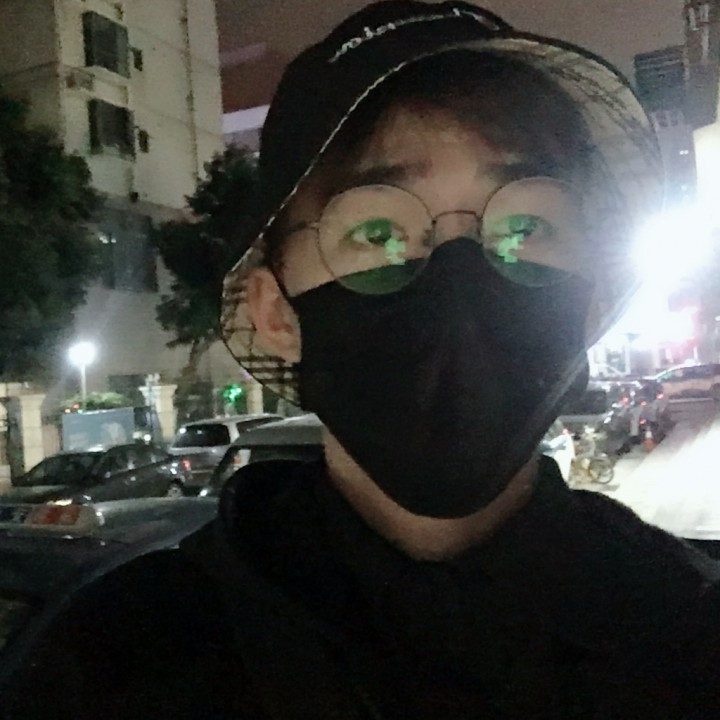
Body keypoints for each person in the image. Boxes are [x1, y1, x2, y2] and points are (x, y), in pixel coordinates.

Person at [182, 2, 720, 718]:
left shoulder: (693, 637)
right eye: (379, 232)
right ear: (276, 312)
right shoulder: (123, 662)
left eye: (526, 226)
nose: (460, 278)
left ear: (591, 301)